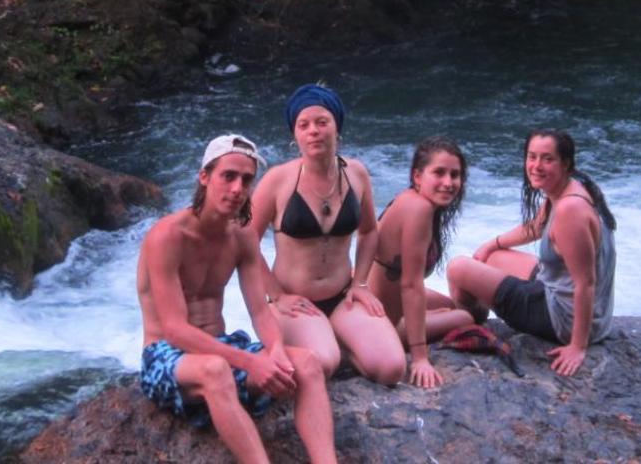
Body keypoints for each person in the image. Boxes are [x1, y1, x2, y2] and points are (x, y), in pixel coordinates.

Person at [136, 133, 337, 464]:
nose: (236, 189)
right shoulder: (167, 236)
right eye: (227, 176)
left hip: (219, 346)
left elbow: (260, 310)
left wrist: (274, 352)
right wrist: (250, 362)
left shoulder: (241, 235)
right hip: (166, 357)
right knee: (216, 370)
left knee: (307, 364)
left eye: (246, 180)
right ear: (205, 177)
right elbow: (173, 328)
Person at [249, 84, 405, 385]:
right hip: (294, 302)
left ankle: (340, 337)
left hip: (342, 295)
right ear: (295, 135)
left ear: (337, 128)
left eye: (322, 122)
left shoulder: (356, 174)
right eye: (303, 125)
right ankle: (324, 341)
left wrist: (360, 282)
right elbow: (244, 244)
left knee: (392, 369)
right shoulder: (277, 181)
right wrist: (276, 294)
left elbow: (370, 231)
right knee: (323, 363)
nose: (313, 131)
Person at [445, 129, 617, 376]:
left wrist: (577, 346)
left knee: (457, 268)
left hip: (563, 320)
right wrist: (493, 243)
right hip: (573, 302)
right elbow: (537, 226)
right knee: (492, 257)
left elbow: (585, 284)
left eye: (547, 159)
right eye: (532, 157)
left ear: (565, 163)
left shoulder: (571, 210)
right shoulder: (574, 187)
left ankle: (468, 320)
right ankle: (473, 312)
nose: (536, 166)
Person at [371, 137, 475, 388]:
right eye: (439, 173)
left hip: (379, 302)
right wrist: (419, 357)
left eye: (455, 175)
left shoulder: (407, 198)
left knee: (449, 305)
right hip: (384, 324)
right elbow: (410, 285)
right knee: (464, 318)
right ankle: (412, 325)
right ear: (418, 176)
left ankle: (420, 318)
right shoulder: (419, 210)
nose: (448, 183)